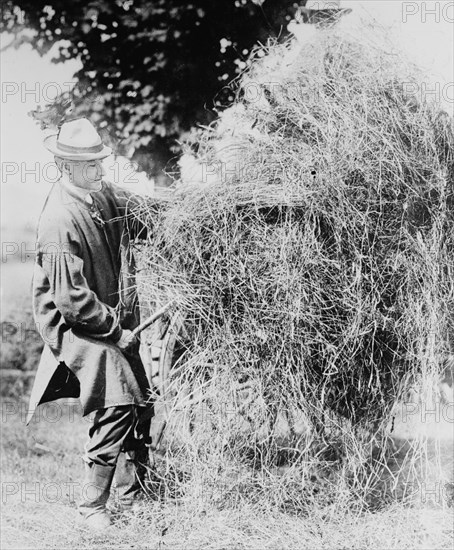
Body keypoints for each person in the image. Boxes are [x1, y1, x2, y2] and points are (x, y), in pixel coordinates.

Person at [27, 117, 154, 532]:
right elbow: (71, 300)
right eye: (89, 164)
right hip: (75, 324)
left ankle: (136, 495)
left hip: (103, 316)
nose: (100, 168)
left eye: (101, 160)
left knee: (143, 396)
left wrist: (200, 210)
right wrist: (116, 332)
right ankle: (91, 506)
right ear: (65, 167)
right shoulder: (59, 221)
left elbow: (145, 212)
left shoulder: (103, 196)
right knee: (118, 395)